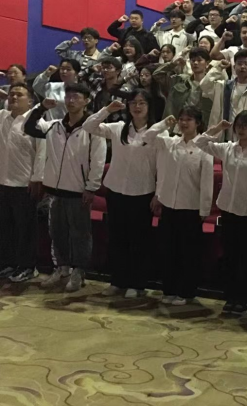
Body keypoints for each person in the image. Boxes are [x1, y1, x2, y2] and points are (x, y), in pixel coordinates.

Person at [24, 84, 107, 292]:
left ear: (86, 100)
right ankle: (62, 268)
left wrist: (91, 187)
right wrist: (41, 108)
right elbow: (29, 127)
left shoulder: (93, 129)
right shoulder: (54, 125)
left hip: (78, 191)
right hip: (55, 189)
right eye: (68, 96)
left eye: (76, 97)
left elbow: (98, 160)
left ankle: (79, 271)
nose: (71, 100)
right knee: (57, 232)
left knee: (80, 234)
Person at [83, 90, 159, 299]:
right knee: (117, 238)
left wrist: (158, 194)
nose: (137, 107)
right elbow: (88, 126)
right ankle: (117, 281)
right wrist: (107, 110)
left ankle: (137, 283)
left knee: (139, 240)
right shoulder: (118, 128)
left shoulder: (157, 133)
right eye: (133, 103)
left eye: (142, 103)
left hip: (143, 192)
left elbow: (163, 166)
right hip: (116, 191)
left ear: (149, 106)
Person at [194, 112, 247, 314]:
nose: (241, 129)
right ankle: (230, 296)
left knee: (246, 258)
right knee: (230, 255)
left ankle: (245, 298)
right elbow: (199, 142)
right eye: (239, 125)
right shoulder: (228, 148)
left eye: (246, 125)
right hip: (228, 209)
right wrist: (218, 128)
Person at [144, 108, 213, 306]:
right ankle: (169, 289)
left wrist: (204, 210)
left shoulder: (204, 147)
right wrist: (164, 124)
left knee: (188, 253)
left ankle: (186, 292)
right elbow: (148, 137)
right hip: (169, 205)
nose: (183, 123)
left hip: (190, 207)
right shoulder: (171, 143)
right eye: (181, 119)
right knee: (168, 250)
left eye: (188, 119)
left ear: (197, 123)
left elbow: (207, 181)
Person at [0, 83, 45, 283]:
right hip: (3, 181)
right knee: (5, 227)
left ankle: (27, 266)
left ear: (30, 101)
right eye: (12, 94)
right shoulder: (2, 117)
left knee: (25, 228)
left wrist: (37, 178)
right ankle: (8, 263)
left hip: (24, 183)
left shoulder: (36, 122)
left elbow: (42, 153)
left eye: (20, 95)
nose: (14, 97)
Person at [154, 47, 219, 130]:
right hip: (178, 127)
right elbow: (157, 75)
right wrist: (172, 64)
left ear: (207, 63)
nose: (195, 63)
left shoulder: (213, 84)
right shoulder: (180, 80)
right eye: (193, 60)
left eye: (199, 60)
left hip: (202, 128)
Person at [82, 56, 126, 123]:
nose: (105, 70)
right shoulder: (97, 82)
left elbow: (124, 114)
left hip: (112, 125)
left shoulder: (123, 90)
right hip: (93, 122)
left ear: (118, 71)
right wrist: (91, 69)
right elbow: (80, 77)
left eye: (109, 68)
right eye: (103, 67)